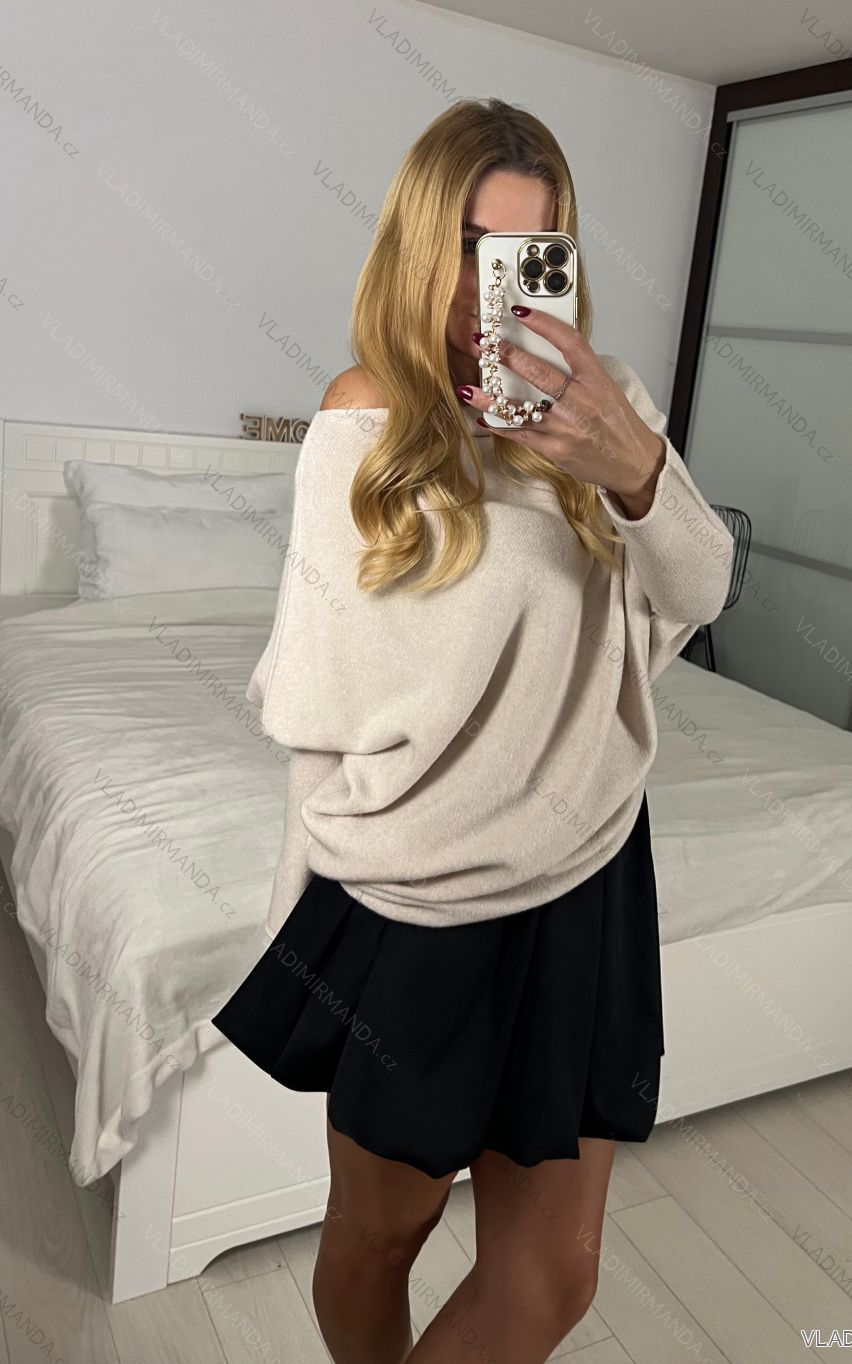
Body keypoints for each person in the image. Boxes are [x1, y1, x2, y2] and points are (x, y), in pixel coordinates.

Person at [212, 95, 734, 1364]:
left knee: (552, 1276)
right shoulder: (363, 419)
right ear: (414, 244)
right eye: (465, 247)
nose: (488, 288)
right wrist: (299, 914)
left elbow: (700, 590)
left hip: (589, 870)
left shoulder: (608, 407)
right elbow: (323, 704)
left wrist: (629, 465)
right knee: (377, 1236)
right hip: (416, 898)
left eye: (525, 252)